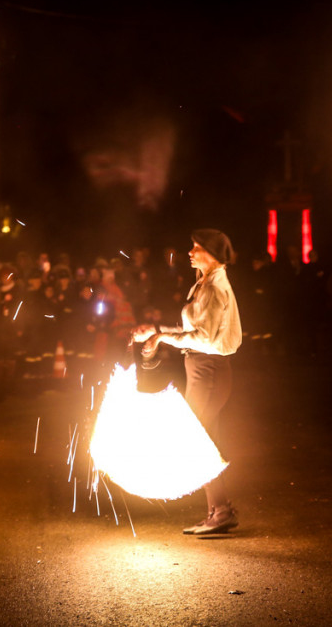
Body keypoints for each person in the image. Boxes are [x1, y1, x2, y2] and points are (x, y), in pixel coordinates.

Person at [132, 229, 242, 535]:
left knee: (196, 441)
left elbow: (203, 338)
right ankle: (219, 511)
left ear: (212, 253)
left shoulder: (214, 288)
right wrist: (155, 331)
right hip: (203, 369)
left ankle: (220, 511)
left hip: (208, 370)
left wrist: (162, 336)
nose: (190, 253)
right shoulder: (205, 283)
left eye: (196, 248)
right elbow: (193, 331)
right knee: (204, 441)